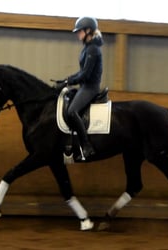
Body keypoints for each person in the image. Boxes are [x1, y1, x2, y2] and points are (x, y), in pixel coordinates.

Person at [57, 16, 103, 161]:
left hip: (90, 87)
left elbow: (85, 74)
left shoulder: (93, 50)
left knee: (72, 112)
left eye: (80, 31)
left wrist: (68, 82)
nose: (78, 34)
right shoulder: (87, 48)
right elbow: (81, 72)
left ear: (88, 31)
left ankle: (86, 146)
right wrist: (66, 79)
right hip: (84, 86)